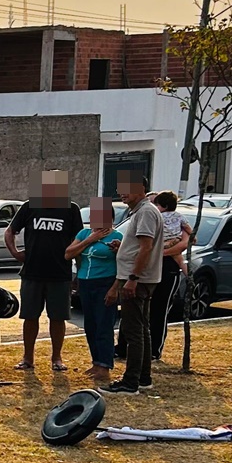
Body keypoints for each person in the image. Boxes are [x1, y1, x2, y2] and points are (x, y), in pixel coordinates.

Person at [5, 170, 84, 372]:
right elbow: (10, 231)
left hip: (60, 274)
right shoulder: (30, 206)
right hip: (32, 272)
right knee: (30, 316)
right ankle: (27, 358)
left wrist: (80, 272)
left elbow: (79, 241)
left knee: (58, 318)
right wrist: (15, 252)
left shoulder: (70, 209)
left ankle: (57, 358)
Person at [105, 169, 162, 395]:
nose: (122, 193)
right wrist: (123, 249)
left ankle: (131, 382)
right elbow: (140, 246)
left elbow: (146, 247)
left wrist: (132, 279)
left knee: (133, 331)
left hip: (139, 281)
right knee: (142, 329)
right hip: (142, 279)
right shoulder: (141, 211)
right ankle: (143, 377)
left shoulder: (146, 212)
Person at [66, 196, 123, 382]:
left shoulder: (118, 237)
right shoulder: (84, 234)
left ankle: (105, 365)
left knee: (104, 325)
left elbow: (124, 264)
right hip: (85, 281)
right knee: (90, 325)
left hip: (105, 282)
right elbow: (68, 254)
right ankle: (96, 362)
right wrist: (90, 239)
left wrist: (115, 288)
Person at [148, 191, 193, 361]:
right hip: (162, 254)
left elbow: (185, 242)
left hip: (166, 266)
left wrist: (160, 252)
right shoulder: (180, 217)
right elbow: (190, 234)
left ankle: (155, 349)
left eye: (156, 204)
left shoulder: (158, 218)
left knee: (160, 310)